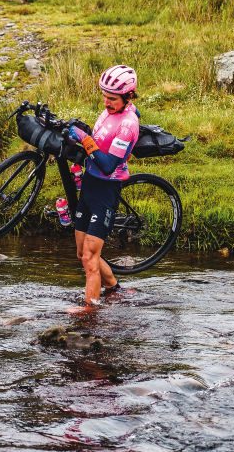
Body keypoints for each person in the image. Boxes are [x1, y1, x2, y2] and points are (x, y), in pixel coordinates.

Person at [66, 64, 140, 311]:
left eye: (112, 99)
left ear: (128, 96)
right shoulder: (108, 113)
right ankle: (114, 289)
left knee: (89, 258)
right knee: (81, 253)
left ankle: (89, 312)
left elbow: (108, 164)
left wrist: (85, 140)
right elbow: (96, 144)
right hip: (89, 185)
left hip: (106, 190)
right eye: (105, 97)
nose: (107, 102)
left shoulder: (128, 125)